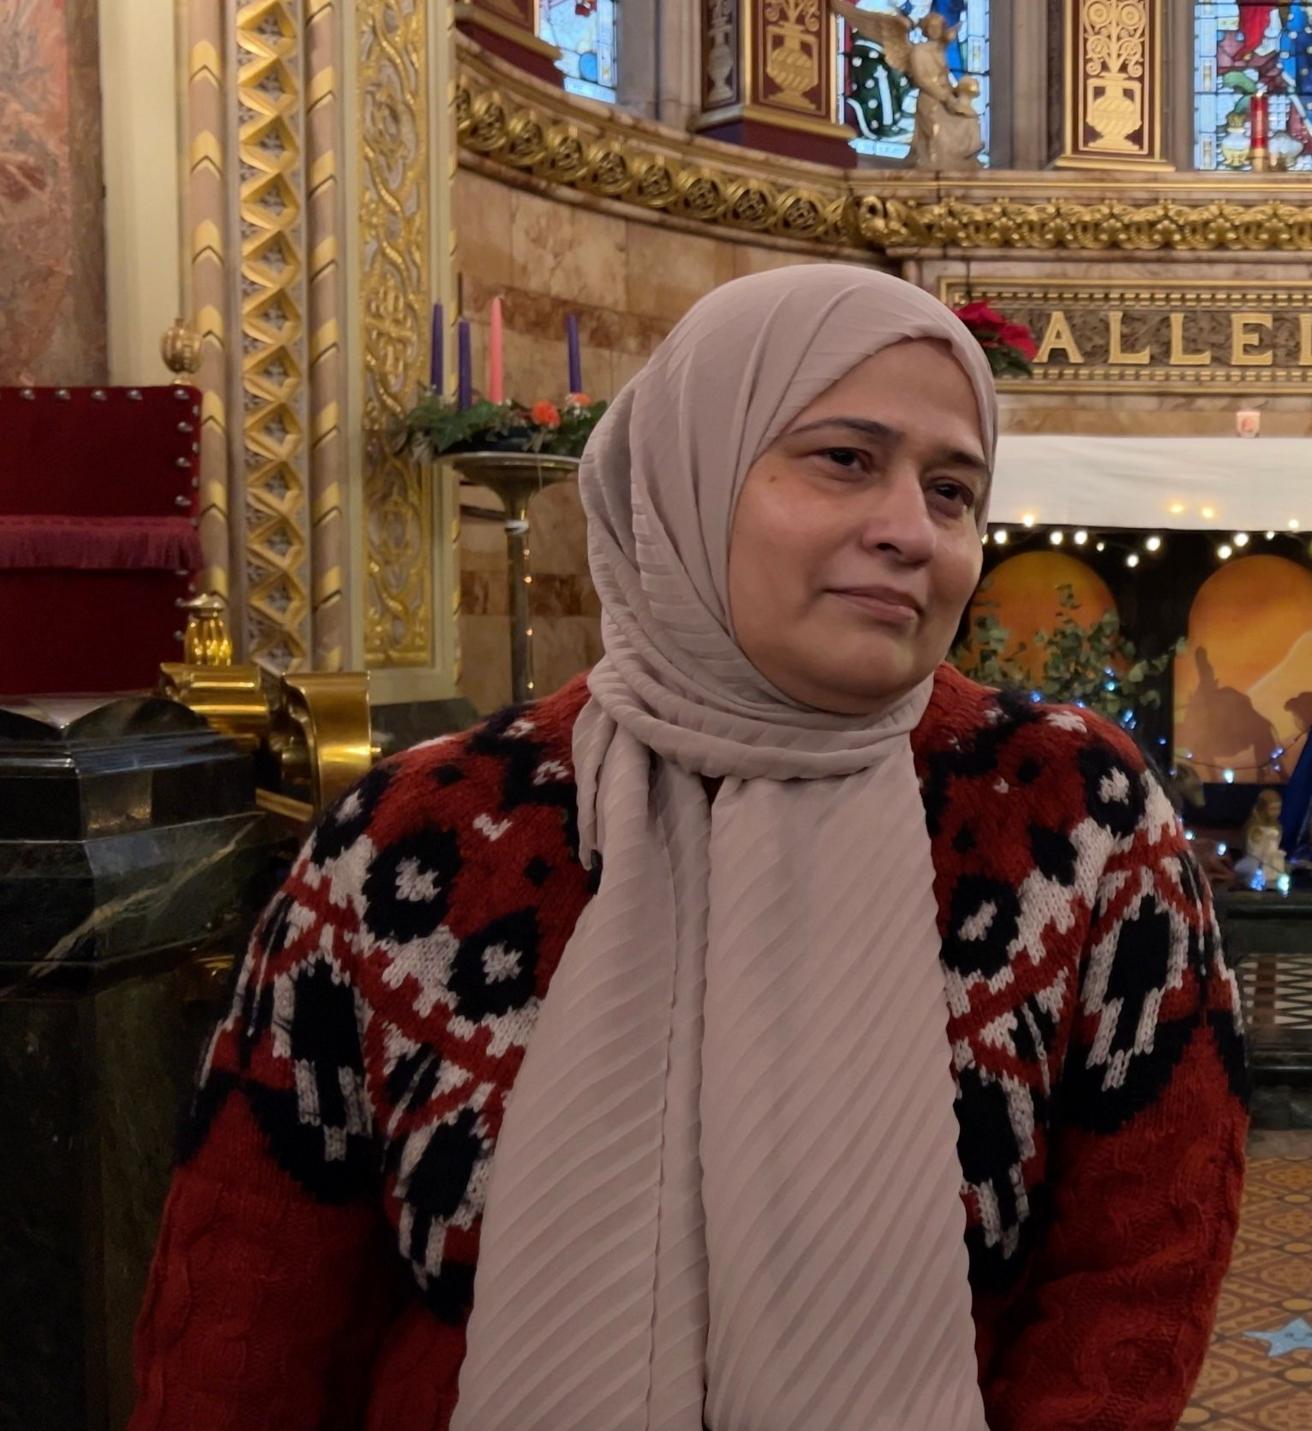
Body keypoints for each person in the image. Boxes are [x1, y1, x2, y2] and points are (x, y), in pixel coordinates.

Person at [127, 267, 1248, 1430]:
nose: (911, 531)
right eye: (844, 458)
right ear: (685, 474)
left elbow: (1135, 1274)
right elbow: (250, 1316)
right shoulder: (415, 831)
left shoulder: (1076, 811)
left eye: (953, 490)